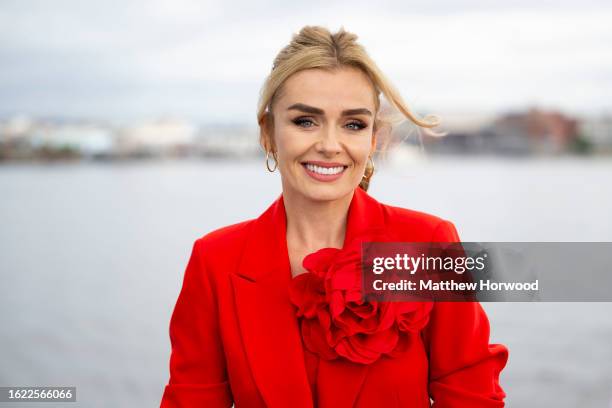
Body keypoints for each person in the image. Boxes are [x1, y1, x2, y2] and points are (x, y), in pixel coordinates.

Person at [160, 25, 508, 408]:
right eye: (305, 121)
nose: (329, 145)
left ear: (373, 139)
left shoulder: (429, 242)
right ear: (268, 133)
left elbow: (472, 395)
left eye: (353, 124)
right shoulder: (215, 261)